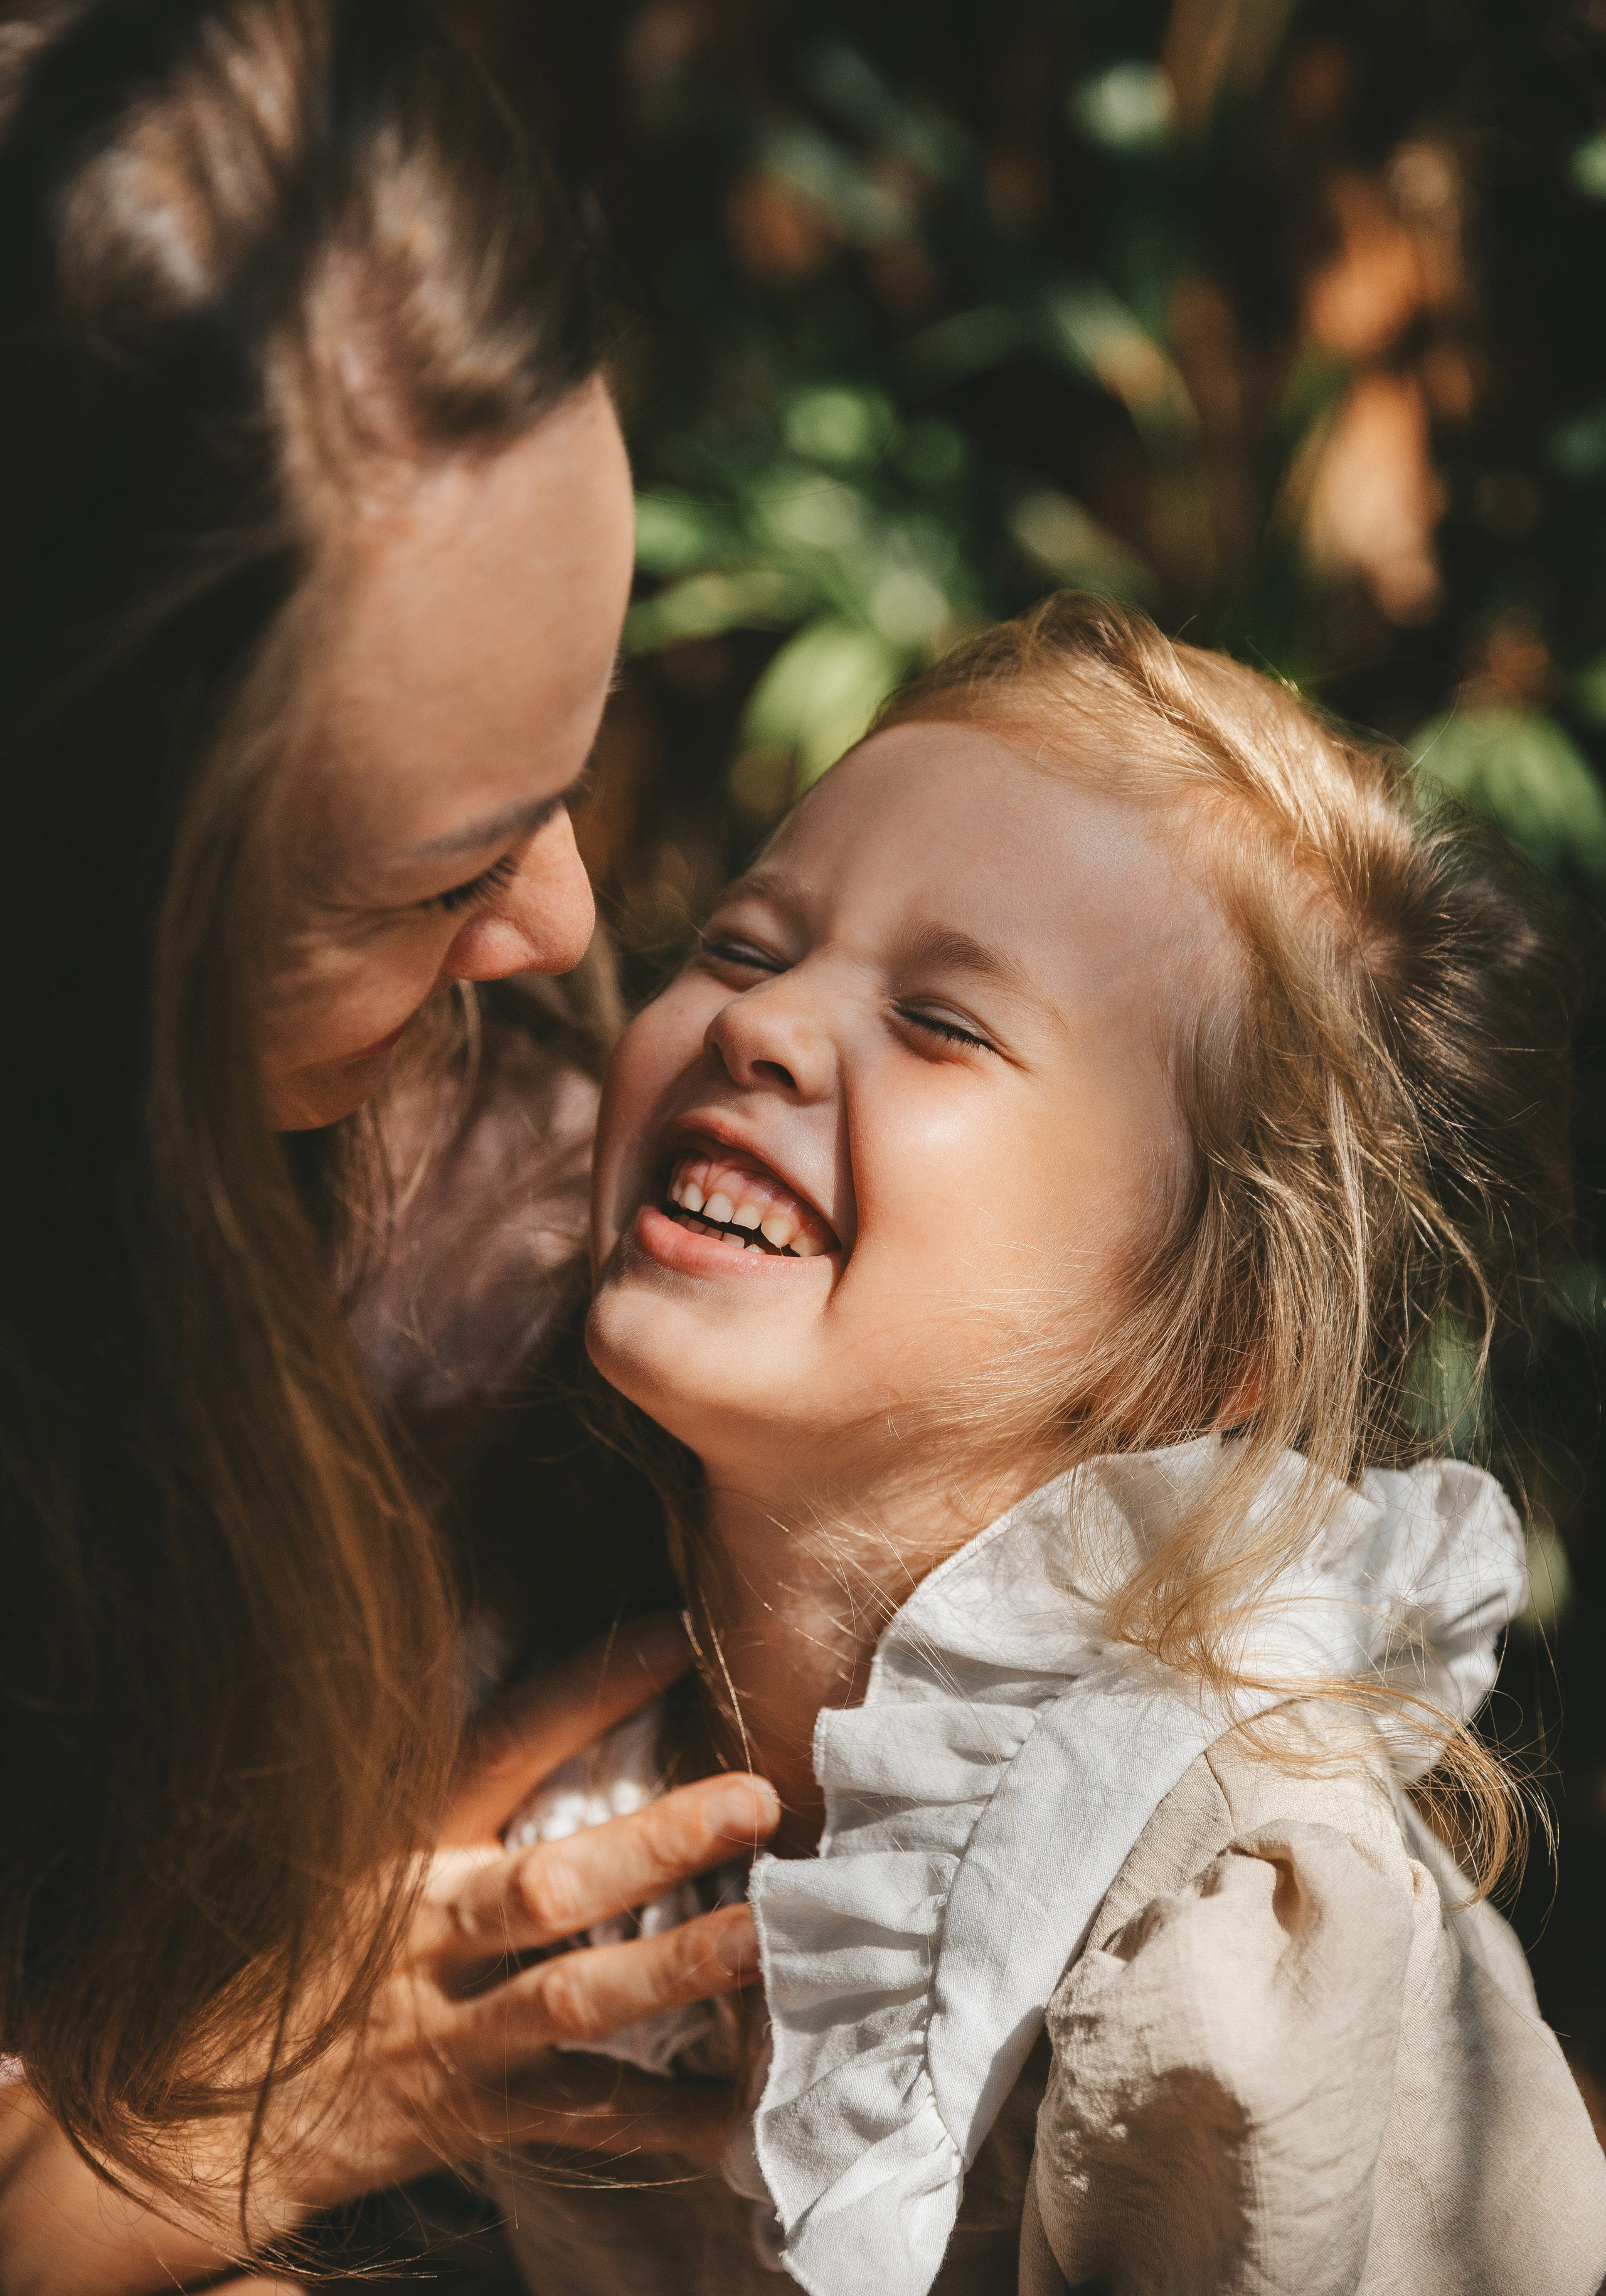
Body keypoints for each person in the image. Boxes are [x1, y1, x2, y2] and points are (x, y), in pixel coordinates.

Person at [489, 593, 1606, 2293]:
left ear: (1214, 1332)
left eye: (941, 1022)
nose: (761, 1028)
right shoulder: (549, 1697)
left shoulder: (1217, 1904)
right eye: (745, 943)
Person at [0, 0, 776, 2287]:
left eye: (585, 766)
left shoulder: (467, 1179)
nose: (560, 932)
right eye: (427, 881)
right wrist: (206, 2122)